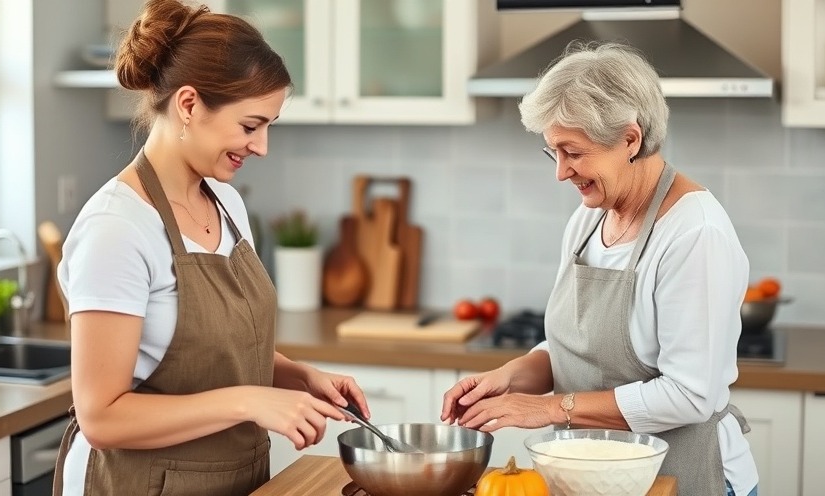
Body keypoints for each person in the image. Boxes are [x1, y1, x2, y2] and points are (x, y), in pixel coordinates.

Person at [52, 1, 370, 495]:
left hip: (231, 477)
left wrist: (298, 376)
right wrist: (249, 401)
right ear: (188, 105)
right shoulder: (117, 228)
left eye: (268, 126)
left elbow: (216, 351)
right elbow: (102, 417)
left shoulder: (225, 203)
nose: (262, 146)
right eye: (250, 126)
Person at [440, 42, 758, 496]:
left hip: (684, 477)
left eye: (573, 152)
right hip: (591, 478)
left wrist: (549, 409)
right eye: (553, 152)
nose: (561, 172)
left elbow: (690, 395)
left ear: (630, 140)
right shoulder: (589, 219)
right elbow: (577, 350)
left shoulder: (694, 233)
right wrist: (507, 378)